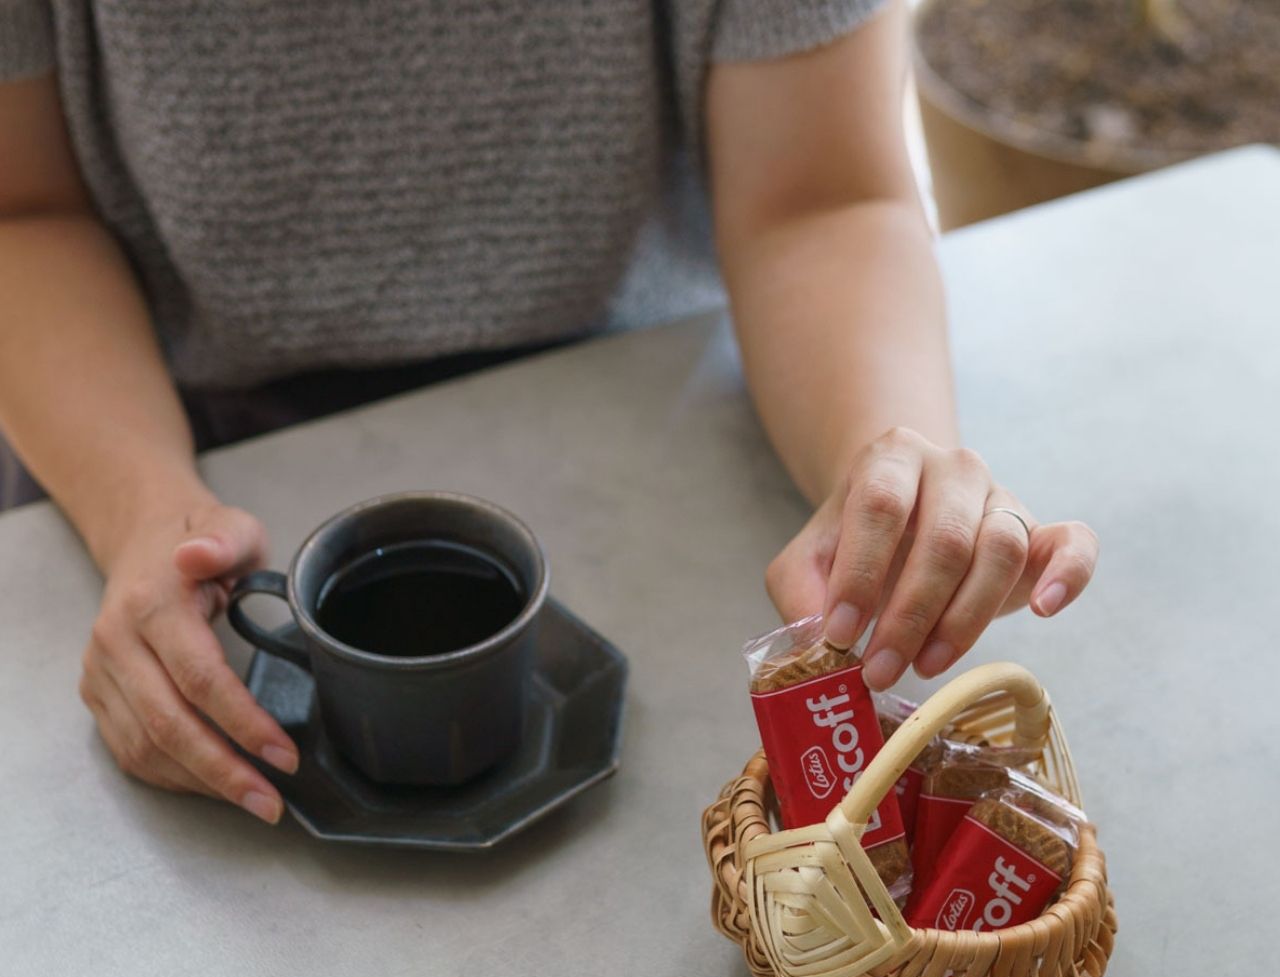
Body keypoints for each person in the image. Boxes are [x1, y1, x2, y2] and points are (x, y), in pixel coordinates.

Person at [0, 0, 1097, 825]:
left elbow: (820, 195)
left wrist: (883, 461)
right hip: (182, 425)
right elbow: (23, 211)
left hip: (658, 405)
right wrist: (142, 515)